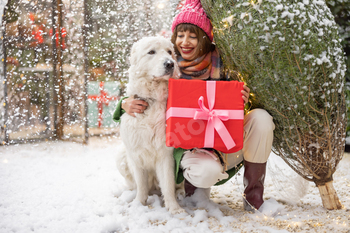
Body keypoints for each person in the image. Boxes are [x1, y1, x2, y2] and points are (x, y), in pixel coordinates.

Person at [113, 0, 275, 212]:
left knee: (261, 118)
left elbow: (239, 100)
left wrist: (242, 99)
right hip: (195, 148)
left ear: (205, 39)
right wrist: (123, 104)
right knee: (203, 171)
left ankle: (253, 196)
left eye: (193, 35)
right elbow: (143, 86)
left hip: (223, 142)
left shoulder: (223, 63)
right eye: (180, 35)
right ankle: (194, 189)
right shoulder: (168, 65)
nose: (185, 42)